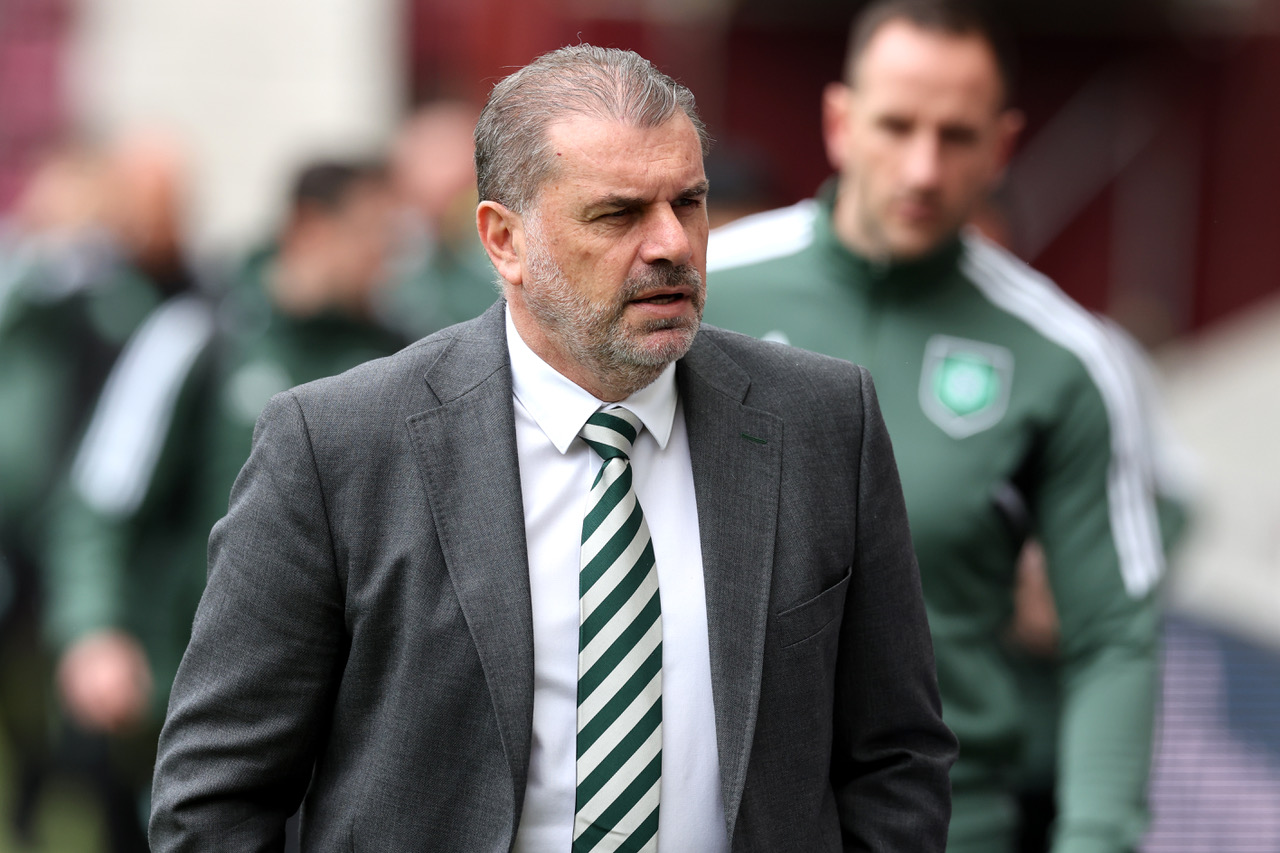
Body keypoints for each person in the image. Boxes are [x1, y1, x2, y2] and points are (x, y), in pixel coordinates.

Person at [149, 44, 957, 851]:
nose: (672, 243)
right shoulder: (338, 447)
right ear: (504, 240)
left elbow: (895, 756)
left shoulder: (823, 424)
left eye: (689, 202)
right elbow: (215, 797)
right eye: (618, 214)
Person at [704, 2, 1169, 852]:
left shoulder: (1066, 358)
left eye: (957, 136)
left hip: (952, 827)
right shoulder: (702, 294)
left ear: (1003, 144)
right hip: (712, 821)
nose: (923, 168)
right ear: (840, 122)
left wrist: (1098, 837)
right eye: (897, 126)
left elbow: (1114, 636)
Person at [43, 157, 405, 846]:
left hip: (354, 707)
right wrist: (93, 631)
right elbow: (103, 498)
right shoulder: (200, 335)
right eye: (372, 233)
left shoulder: (403, 350)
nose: (387, 257)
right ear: (310, 227)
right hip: (193, 688)